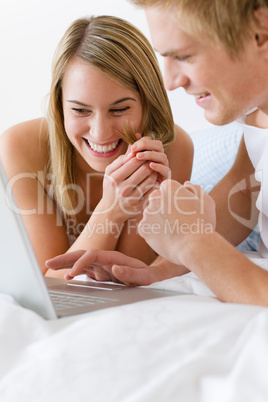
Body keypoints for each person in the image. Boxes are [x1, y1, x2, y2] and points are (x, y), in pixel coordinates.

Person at [46, 0, 268, 306]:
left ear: (261, 33)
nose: (171, 82)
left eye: (185, 56)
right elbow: (245, 192)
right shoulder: (257, 113)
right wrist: (159, 271)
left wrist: (193, 242)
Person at [0, 15, 193, 278]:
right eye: (80, 110)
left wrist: (145, 196)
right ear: (59, 106)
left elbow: (126, 272)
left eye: (120, 109)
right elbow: (51, 284)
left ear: (148, 104)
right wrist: (111, 211)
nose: (100, 132)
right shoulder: (19, 147)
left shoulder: (174, 148)